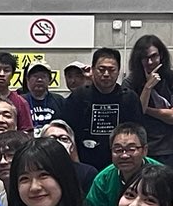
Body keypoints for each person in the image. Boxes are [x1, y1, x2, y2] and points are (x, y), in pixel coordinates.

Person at [59, 47, 143, 180]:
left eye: (111, 69)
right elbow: (67, 132)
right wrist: (77, 165)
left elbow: (137, 133)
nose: (106, 74)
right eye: (101, 69)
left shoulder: (130, 98)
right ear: (92, 70)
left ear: (118, 71)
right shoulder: (78, 97)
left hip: (121, 164)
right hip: (84, 163)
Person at [126, 35, 173, 167]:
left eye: (153, 56)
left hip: (168, 148)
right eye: (145, 58)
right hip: (140, 147)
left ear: (161, 56)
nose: (149, 62)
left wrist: (147, 110)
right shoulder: (130, 82)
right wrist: (148, 87)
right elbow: (135, 116)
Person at [82, 123, 161, 206]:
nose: (124, 156)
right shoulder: (103, 180)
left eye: (131, 149)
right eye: (118, 150)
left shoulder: (161, 175)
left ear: (145, 150)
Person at [0, 51, 32, 135]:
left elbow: (27, 133)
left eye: (6, 70)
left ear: (13, 74)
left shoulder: (21, 102)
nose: (1, 74)